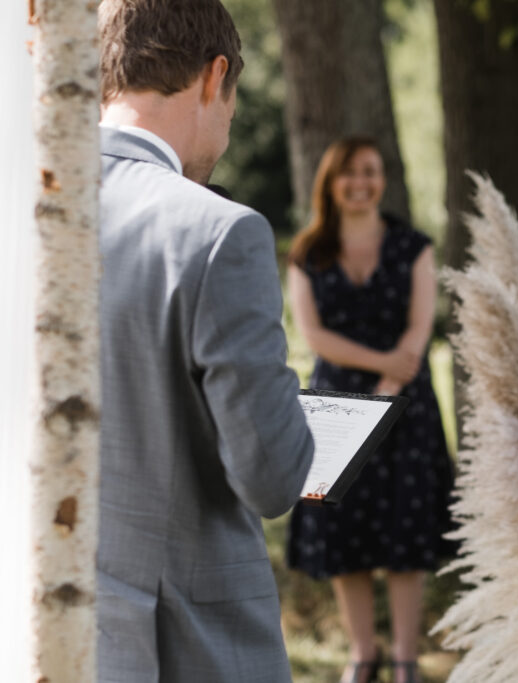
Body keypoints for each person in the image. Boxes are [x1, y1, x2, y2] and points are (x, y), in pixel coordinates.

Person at [96, 1, 314, 681]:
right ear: (215, 77)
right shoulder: (220, 232)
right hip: (179, 641)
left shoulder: (20, 203)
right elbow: (272, 475)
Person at [285, 138, 454, 683]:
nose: (360, 182)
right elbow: (313, 334)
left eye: (371, 172)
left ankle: (405, 658)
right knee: (343, 534)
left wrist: (392, 374)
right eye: (349, 173)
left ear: (383, 178)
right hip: (335, 404)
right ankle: (363, 654)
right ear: (330, 182)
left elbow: (420, 324)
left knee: (404, 533)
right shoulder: (308, 252)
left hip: (407, 405)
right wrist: (380, 363)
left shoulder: (414, 246)